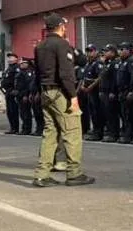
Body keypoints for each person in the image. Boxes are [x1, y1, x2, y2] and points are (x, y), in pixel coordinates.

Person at [33, 14, 95, 187]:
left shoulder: (40, 46)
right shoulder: (62, 44)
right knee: (72, 132)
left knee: (49, 133)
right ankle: (74, 173)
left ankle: (42, 174)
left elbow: (38, 73)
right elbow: (66, 74)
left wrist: (39, 91)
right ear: (60, 26)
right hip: (60, 92)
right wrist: (73, 97)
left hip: (46, 91)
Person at [3, 53, 22, 134]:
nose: (9, 59)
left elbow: (17, 80)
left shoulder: (16, 68)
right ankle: (12, 127)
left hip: (13, 91)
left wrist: (15, 90)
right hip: (7, 91)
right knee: (9, 111)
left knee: (14, 110)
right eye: (9, 58)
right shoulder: (9, 68)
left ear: (16, 59)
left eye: (11, 57)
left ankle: (15, 128)